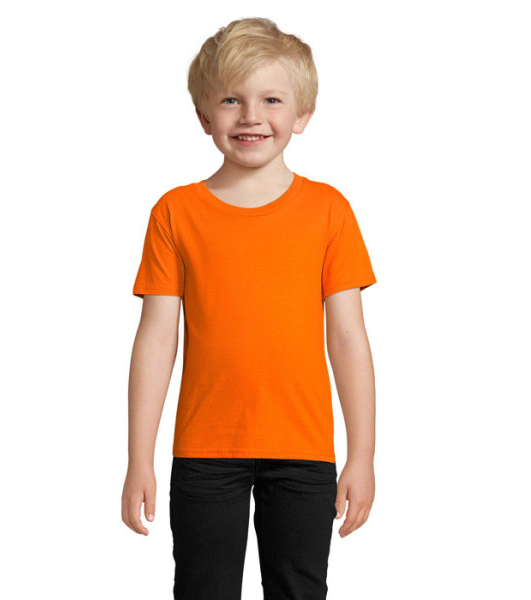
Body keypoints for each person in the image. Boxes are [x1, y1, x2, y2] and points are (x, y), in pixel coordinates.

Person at [122, 16, 378, 600]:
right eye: (231, 99)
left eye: (271, 99)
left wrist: (361, 455)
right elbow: (156, 339)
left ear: (302, 114)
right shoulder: (175, 213)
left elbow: (348, 339)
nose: (250, 116)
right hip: (205, 450)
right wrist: (139, 458)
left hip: (304, 450)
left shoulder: (329, 211)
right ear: (204, 115)